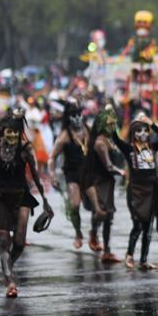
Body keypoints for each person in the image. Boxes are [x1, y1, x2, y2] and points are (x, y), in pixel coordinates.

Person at [0, 116, 51, 298]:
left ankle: (8, 267)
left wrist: (45, 201)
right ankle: (9, 280)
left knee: (19, 242)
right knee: (3, 241)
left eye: (16, 131)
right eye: (9, 131)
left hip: (21, 195)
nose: (12, 134)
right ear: (3, 131)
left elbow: (35, 175)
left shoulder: (25, 148)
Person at [113, 113, 158, 271]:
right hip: (135, 192)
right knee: (137, 224)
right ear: (133, 133)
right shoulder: (129, 149)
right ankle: (130, 254)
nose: (143, 134)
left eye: (146, 131)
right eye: (139, 131)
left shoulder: (153, 147)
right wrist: (111, 122)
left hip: (151, 192)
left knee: (148, 227)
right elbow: (116, 139)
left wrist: (152, 124)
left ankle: (143, 260)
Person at [80, 107, 124, 262]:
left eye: (114, 123)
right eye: (110, 124)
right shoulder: (100, 142)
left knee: (108, 215)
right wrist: (123, 172)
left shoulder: (109, 139)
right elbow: (109, 166)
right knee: (102, 212)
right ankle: (93, 233)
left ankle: (107, 251)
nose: (113, 126)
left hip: (107, 181)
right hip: (98, 181)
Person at [48, 103, 89, 249]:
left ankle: (95, 234)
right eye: (74, 116)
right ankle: (78, 233)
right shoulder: (64, 137)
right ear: (68, 118)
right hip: (72, 173)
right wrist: (52, 175)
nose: (77, 118)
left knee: (95, 207)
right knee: (75, 205)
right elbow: (51, 158)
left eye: (79, 115)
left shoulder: (88, 130)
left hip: (88, 172)